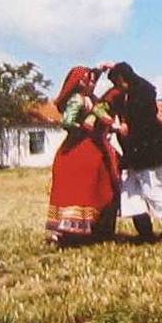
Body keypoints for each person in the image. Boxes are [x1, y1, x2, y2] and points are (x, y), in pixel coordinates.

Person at [45, 66, 121, 246]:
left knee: (104, 188)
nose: (93, 83)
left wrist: (101, 70)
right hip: (78, 151)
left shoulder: (91, 99)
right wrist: (84, 128)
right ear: (80, 82)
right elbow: (67, 122)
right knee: (81, 191)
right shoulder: (78, 99)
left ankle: (97, 229)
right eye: (90, 79)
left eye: (94, 80)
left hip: (93, 150)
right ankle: (74, 233)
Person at [106, 61, 162, 241]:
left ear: (123, 78)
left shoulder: (142, 92)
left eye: (117, 81)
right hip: (135, 150)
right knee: (130, 190)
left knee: (152, 188)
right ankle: (144, 232)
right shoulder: (129, 94)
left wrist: (125, 125)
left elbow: (141, 118)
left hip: (147, 149)